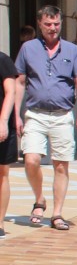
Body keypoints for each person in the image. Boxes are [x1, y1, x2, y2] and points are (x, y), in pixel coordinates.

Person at [14, 5, 77, 232]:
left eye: (56, 24)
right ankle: (40, 199)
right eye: (48, 24)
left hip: (62, 115)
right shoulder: (28, 48)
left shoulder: (72, 50)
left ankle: (57, 214)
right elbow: (19, 82)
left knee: (61, 165)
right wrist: (16, 116)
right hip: (35, 114)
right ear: (39, 24)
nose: (53, 28)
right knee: (31, 160)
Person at [0, 45, 17, 239]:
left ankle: (0, 222)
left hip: (2, 126)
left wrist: (3, 121)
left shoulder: (3, 60)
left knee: (2, 173)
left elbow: (10, 93)